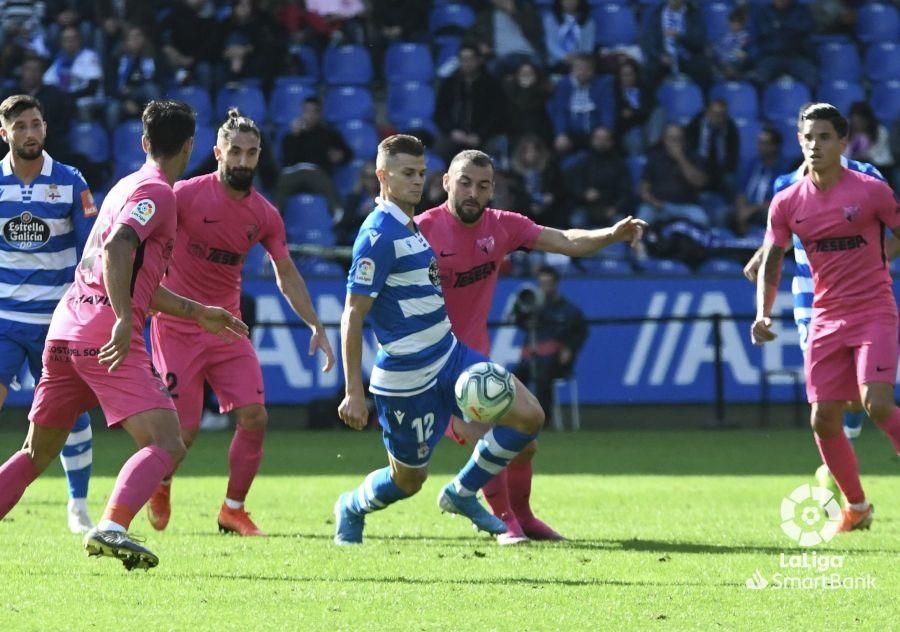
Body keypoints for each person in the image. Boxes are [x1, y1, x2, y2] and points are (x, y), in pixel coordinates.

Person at [0, 99, 249, 570]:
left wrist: (198, 312)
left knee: (35, 452)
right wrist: (120, 317)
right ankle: (113, 527)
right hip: (104, 334)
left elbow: (135, 278)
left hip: (65, 329)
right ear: (192, 147)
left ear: (143, 143)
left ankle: (110, 524)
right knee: (167, 442)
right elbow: (118, 248)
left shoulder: (123, 187)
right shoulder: (159, 192)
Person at [417, 149, 646, 544]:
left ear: (493, 190)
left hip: (471, 362)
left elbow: (566, 240)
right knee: (477, 438)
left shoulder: (502, 226)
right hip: (430, 367)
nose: (473, 191)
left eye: (483, 185)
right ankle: (500, 519)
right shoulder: (420, 231)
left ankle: (523, 517)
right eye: (465, 182)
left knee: (525, 440)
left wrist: (609, 235)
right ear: (446, 183)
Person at [333, 135, 547, 545]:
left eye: (420, 173)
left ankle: (462, 492)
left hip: (449, 355)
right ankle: (353, 505)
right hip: (405, 379)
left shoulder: (410, 225)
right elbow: (352, 314)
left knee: (529, 416)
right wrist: (353, 393)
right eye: (406, 174)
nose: (417, 182)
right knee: (408, 480)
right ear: (383, 176)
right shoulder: (377, 237)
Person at [146, 109, 335, 537]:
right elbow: (145, 244)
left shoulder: (264, 214)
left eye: (251, 153)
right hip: (177, 325)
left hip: (228, 328)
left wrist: (315, 325)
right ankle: (160, 482)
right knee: (184, 431)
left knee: (255, 417)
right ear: (217, 153)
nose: (243, 161)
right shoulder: (183, 196)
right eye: (235, 152)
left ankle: (233, 509)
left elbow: (286, 273)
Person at [751, 103, 900, 533]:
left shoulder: (870, 187)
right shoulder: (786, 199)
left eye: (824, 137)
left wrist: (880, 259)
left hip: (873, 308)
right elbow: (773, 258)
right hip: (825, 314)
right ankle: (856, 507)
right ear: (799, 141)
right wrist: (762, 312)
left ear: (842, 141)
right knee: (823, 417)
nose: (815, 145)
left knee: (877, 403)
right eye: (808, 137)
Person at [0, 94, 96, 533]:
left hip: (57, 323)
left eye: (35, 124)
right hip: (3, 320)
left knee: (71, 415)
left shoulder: (71, 182)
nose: (30, 132)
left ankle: (77, 505)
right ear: (4, 133)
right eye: (20, 126)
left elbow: (92, 248)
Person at [512, 265, 588, 427]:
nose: (545, 288)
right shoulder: (534, 306)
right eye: (542, 283)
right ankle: (516, 419)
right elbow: (519, 321)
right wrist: (523, 310)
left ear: (556, 284)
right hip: (534, 357)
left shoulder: (569, 311)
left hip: (557, 361)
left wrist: (570, 348)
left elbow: (581, 332)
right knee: (514, 377)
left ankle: (543, 420)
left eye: (548, 283)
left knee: (543, 375)